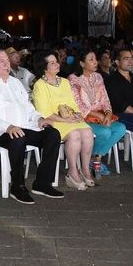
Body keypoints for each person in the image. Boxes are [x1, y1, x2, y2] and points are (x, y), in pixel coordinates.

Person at [0, 50, 64, 204]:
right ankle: (18, 186)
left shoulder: (15, 82)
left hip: (25, 127)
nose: (6, 64)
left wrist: (39, 119)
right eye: (1, 61)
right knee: (18, 137)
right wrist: (8, 126)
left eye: (7, 60)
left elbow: (28, 107)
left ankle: (42, 183)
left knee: (52, 134)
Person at [32, 52, 95, 190]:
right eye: (52, 63)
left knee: (88, 132)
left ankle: (85, 170)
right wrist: (64, 119)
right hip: (53, 121)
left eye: (56, 61)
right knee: (75, 135)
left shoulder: (65, 82)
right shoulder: (40, 85)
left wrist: (77, 114)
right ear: (44, 67)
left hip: (69, 118)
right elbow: (43, 111)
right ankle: (72, 172)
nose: (57, 64)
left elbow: (72, 103)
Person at [69, 50, 126, 177]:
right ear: (82, 63)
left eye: (95, 59)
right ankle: (91, 160)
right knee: (105, 132)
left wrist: (107, 113)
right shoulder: (74, 79)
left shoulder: (98, 77)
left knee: (120, 128)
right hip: (83, 118)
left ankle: (96, 158)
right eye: (91, 59)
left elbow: (105, 99)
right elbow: (78, 105)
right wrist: (98, 115)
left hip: (100, 116)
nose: (95, 62)